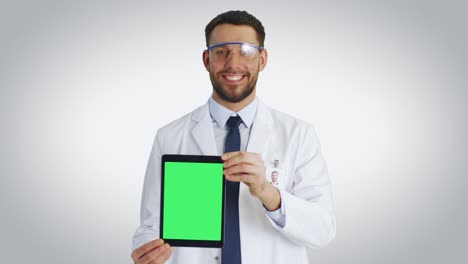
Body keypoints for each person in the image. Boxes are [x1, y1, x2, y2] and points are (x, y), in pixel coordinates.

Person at [131, 10, 336, 264]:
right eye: (221, 52)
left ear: (262, 59)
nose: (233, 64)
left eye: (246, 52)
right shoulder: (170, 137)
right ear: (207, 60)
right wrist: (146, 251)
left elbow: (323, 230)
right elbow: (150, 227)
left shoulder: (298, 135)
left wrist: (267, 192)